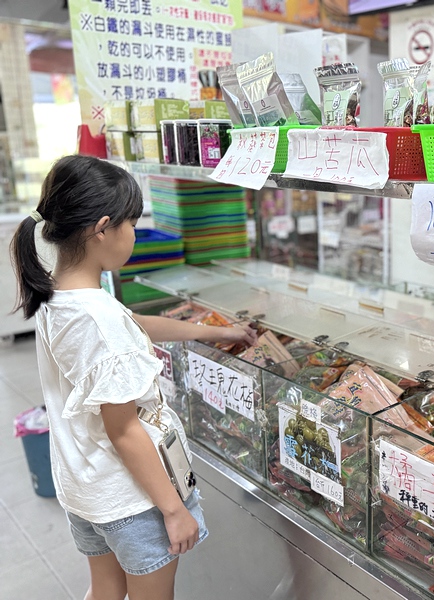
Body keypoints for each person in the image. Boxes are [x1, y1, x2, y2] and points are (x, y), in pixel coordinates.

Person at [10, 155, 256, 600]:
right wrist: (173, 509)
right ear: (102, 228)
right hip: (133, 500)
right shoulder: (97, 319)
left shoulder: (59, 296)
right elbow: (123, 429)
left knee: (103, 590)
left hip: (86, 488)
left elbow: (132, 323)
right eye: (132, 224)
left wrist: (218, 331)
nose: (134, 235)